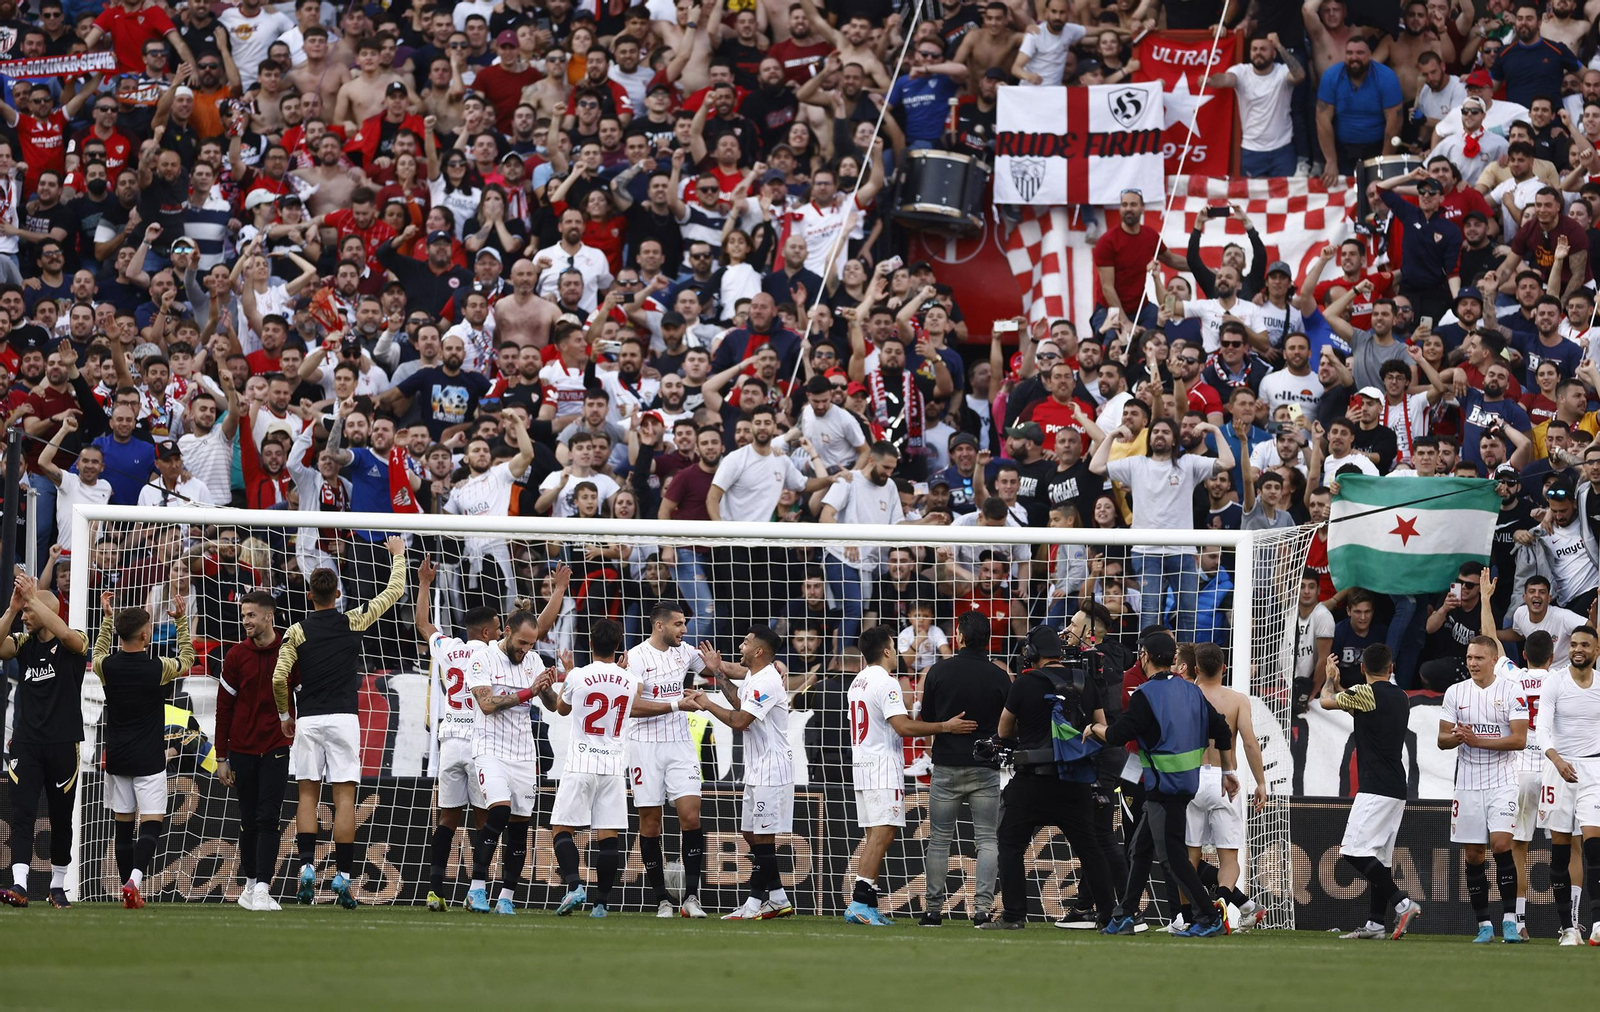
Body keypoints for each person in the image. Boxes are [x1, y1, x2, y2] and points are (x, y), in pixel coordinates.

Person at [272, 535, 407, 910]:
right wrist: (398, 555)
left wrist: (286, 715)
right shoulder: (353, 619)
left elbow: (278, 676)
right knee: (344, 796)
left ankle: (305, 869)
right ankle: (344, 876)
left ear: (310, 596)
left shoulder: (296, 631)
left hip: (310, 719)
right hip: (345, 718)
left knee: (306, 796)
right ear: (337, 594)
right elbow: (394, 590)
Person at [1088, 631, 1236, 937]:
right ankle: (1125, 914)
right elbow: (1221, 729)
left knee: (1173, 858)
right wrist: (1227, 770)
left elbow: (1118, 736)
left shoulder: (1144, 695)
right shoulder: (1193, 692)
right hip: (1184, 786)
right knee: (1140, 850)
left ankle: (1208, 917)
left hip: (1162, 788)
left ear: (1144, 656)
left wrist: (1094, 727)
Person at [551, 618, 693, 919]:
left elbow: (561, 710)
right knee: (608, 836)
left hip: (580, 762)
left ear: (590, 644)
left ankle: (575, 885)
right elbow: (636, 705)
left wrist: (567, 673)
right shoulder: (628, 680)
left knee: (562, 828)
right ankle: (601, 904)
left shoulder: (577, 675)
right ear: (618, 647)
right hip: (614, 765)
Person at [987, 626, 1118, 930]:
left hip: (1032, 780)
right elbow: (1101, 727)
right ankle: (1109, 916)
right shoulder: (1085, 682)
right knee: (1090, 849)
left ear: (1032, 654)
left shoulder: (1024, 683)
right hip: (1074, 780)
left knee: (1010, 844)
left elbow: (1004, 731)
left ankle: (1014, 915)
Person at [844, 626, 975, 926]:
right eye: (894, 645)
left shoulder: (857, 681)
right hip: (881, 767)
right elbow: (903, 727)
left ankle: (868, 902)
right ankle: (859, 903)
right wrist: (945, 727)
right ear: (887, 650)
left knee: (874, 835)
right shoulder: (886, 683)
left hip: (862, 765)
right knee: (883, 834)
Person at [92, 587, 194, 909]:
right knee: (151, 822)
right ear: (144, 634)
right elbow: (188, 660)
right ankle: (135, 881)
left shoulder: (106, 667)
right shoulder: (157, 667)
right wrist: (181, 623)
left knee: (122, 826)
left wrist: (106, 620)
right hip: (149, 757)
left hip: (118, 756)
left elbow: (96, 655)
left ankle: (127, 889)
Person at [1090, 417, 1233, 639]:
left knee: (1188, 613)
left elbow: (1227, 462)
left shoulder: (1189, 463)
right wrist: (1111, 435)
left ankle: (1185, 668)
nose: (1160, 435)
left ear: (1174, 439)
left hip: (1182, 551)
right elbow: (1095, 466)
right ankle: (1149, 667)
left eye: (1166, 432)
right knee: (1150, 613)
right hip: (1146, 552)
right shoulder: (1136, 464)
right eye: (1155, 431)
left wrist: (1214, 429)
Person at [687, 627, 795, 920]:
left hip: (773, 770)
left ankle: (752, 904)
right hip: (757, 767)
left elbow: (739, 720)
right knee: (750, 832)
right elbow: (738, 702)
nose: (740, 645)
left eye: (746, 642)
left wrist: (707, 703)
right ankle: (778, 897)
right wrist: (717, 673)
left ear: (759, 651)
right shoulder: (753, 677)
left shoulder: (768, 682)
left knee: (763, 837)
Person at [1319, 644, 1422, 940]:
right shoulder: (1400, 696)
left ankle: (1402, 904)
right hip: (1396, 788)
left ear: (1362, 668)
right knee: (1381, 857)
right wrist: (1340, 685)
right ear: (1391, 669)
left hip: (1375, 788)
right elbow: (1355, 703)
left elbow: (1327, 701)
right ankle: (1376, 923)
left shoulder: (1367, 695)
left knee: (1353, 851)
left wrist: (1329, 679)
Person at [415, 559, 500, 912]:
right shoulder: (494, 653)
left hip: (450, 740)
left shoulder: (448, 648)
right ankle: (476, 890)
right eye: (497, 628)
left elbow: (422, 623)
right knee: (483, 821)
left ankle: (435, 891)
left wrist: (423, 583)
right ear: (486, 632)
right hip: (480, 743)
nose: (500, 632)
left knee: (447, 819)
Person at [0, 573, 88, 909]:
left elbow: (68, 635)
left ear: (45, 610)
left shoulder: (72, 640)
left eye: (28, 612)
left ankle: (57, 886)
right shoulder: (23, 644)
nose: (25, 617)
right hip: (26, 743)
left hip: (64, 743)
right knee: (22, 813)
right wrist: (12, 609)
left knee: (61, 817)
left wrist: (32, 596)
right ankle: (19, 884)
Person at [917, 610, 1011, 926]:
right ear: (988, 639)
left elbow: (926, 721)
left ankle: (933, 910)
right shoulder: (1000, 676)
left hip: (946, 765)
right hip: (985, 767)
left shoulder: (938, 672)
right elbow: (1008, 724)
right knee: (986, 839)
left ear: (958, 636)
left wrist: (946, 728)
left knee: (940, 839)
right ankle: (982, 909)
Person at [1439, 629, 1529, 943]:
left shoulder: (1512, 692)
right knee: (1474, 855)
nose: (1473, 663)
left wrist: (1479, 740)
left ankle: (1508, 921)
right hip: (1467, 783)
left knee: (1502, 845)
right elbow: (1442, 740)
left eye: (1479, 658)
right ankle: (1483, 926)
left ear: (1494, 660)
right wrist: (1457, 738)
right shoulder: (1456, 693)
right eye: (1469, 658)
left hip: (1502, 781)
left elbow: (1520, 739)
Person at [463, 610, 555, 915]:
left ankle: (506, 897)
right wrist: (529, 690)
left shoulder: (533, 661)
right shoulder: (482, 658)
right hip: (489, 747)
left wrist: (552, 685)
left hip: (524, 754)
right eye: (521, 642)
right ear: (506, 632)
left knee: (520, 826)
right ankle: (476, 889)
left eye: (531, 644)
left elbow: (555, 707)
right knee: (499, 810)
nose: (525, 649)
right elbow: (487, 704)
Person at [626, 602, 711, 919]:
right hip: (645, 746)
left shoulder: (685, 652)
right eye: (678, 624)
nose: (684, 630)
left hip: (679, 745)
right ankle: (662, 899)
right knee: (650, 823)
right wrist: (676, 705)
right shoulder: (635, 657)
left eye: (685, 623)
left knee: (691, 816)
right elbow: (632, 706)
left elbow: (716, 668)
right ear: (659, 626)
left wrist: (764, 669)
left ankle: (691, 897)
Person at [1480, 575, 1551, 940]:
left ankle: (1519, 922)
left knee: (1518, 847)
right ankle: (1571, 924)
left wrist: (1486, 600)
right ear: (1553, 656)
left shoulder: (1512, 676)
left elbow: (1490, 643)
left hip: (1519, 769)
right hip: (1554, 770)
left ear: (1523, 654)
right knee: (1567, 845)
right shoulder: (1562, 681)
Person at [1184, 643, 1269, 931]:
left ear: (1196, 669)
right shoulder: (1236, 700)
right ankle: (1221, 899)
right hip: (1225, 778)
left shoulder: (1187, 696)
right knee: (1228, 856)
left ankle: (1188, 918)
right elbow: (1248, 741)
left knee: (1189, 856)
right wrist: (1260, 781)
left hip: (1191, 778)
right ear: (1224, 668)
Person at [215, 591, 290, 913]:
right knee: (247, 820)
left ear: (268, 616)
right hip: (242, 750)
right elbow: (224, 708)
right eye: (243, 615)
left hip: (275, 746)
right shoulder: (235, 656)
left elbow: (301, 694)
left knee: (268, 818)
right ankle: (249, 886)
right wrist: (221, 757)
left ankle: (262, 887)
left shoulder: (289, 650)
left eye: (251, 615)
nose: (245, 621)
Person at [1535, 623, 1600, 946]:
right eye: (1573, 644)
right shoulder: (1555, 682)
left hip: (1593, 769)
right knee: (1559, 852)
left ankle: (1599, 922)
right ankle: (1568, 928)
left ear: (1596, 651)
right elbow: (1542, 728)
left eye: (1585, 645)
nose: (1577, 650)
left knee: (1594, 845)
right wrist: (1557, 760)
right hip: (1558, 769)